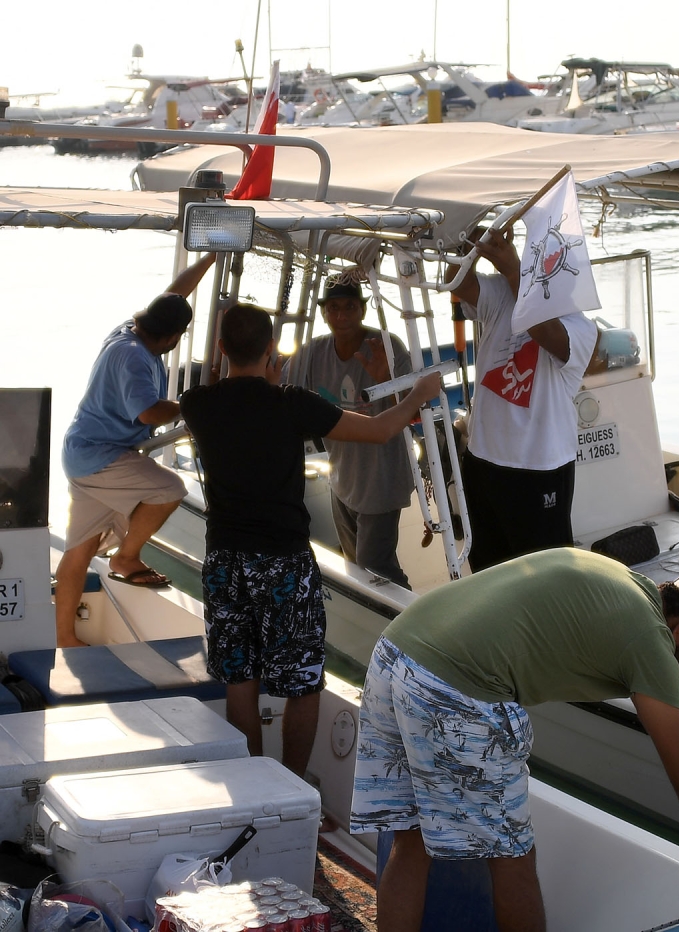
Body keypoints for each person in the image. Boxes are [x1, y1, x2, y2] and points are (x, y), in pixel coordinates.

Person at [351, 549, 679, 931]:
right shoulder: (651, 643)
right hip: (456, 688)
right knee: (512, 856)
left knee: (410, 841)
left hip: (397, 652)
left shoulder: (627, 586)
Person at [180, 303, 440, 777]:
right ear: (272, 350)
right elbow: (381, 430)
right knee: (301, 684)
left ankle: (256, 783)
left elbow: (229, 392)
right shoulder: (291, 405)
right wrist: (420, 392)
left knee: (241, 678)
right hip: (282, 562)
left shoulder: (196, 405)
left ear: (220, 349)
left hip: (225, 562)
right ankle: (294, 785)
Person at [54, 253, 217, 648]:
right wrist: (192, 406)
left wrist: (211, 257)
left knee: (80, 550)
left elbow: (175, 291)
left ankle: (64, 638)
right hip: (102, 457)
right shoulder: (133, 357)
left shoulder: (129, 329)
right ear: (173, 337)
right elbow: (147, 412)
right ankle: (126, 557)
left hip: (81, 453)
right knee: (169, 489)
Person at [449, 227, 599, 571]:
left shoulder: (582, 328)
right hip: (483, 460)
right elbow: (457, 283)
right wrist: (470, 244)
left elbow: (543, 332)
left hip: (539, 470)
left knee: (545, 579)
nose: (545, 273)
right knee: (488, 571)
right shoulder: (504, 293)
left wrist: (515, 270)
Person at [303, 270, 414, 588]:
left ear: (362, 309)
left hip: (381, 479)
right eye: (333, 308)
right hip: (342, 479)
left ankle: (408, 623)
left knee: (376, 567)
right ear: (324, 312)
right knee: (357, 570)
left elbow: (413, 407)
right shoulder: (314, 352)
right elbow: (288, 391)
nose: (341, 315)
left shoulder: (387, 346)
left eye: (349, 307)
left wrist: (385, 378)